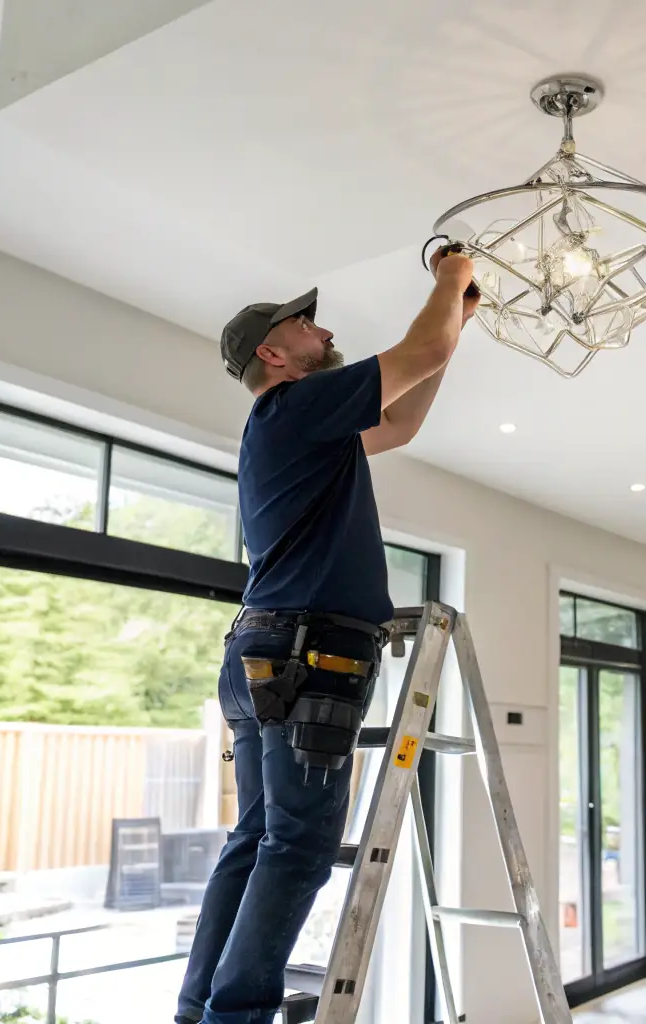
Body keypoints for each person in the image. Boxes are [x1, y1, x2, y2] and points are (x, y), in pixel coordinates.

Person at [174, 249, 478, 1024]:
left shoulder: (303, 429)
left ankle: (199, 1011)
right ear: (272, 354)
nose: (324, 329)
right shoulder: (294, 406)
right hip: (308, 651)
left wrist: (458, 322)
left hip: (264, 649)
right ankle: (234, 1015)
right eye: (306, 324)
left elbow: (401, 420)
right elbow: (422, 351)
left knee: (258, 838)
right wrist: (449, 277)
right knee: (299, 845)